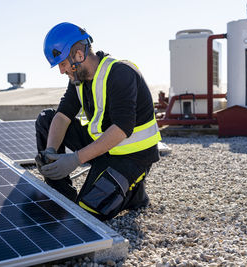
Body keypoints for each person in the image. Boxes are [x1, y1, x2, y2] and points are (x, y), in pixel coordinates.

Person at [35, 22, 161, 221]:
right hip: (103, 146)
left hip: (131, 156)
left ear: (78, 55)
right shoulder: (78, 79)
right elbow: (62, 116)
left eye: (62, 63)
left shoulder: (120, 73)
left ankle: (134, 195)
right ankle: (61, 195)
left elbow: (121, 129)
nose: (61, 71)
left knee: (87, 215)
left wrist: (75, 159)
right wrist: (51, 152)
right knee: (46, 119)